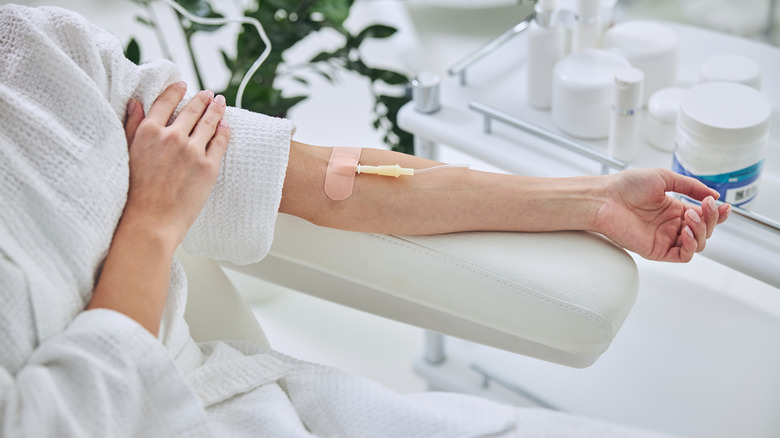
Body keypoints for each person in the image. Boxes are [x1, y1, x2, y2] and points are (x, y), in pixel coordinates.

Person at [0, 4, 728, 437]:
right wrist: (153, 224)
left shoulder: (38, 51)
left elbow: (325, 179)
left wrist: (593, 200)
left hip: (271, 406)